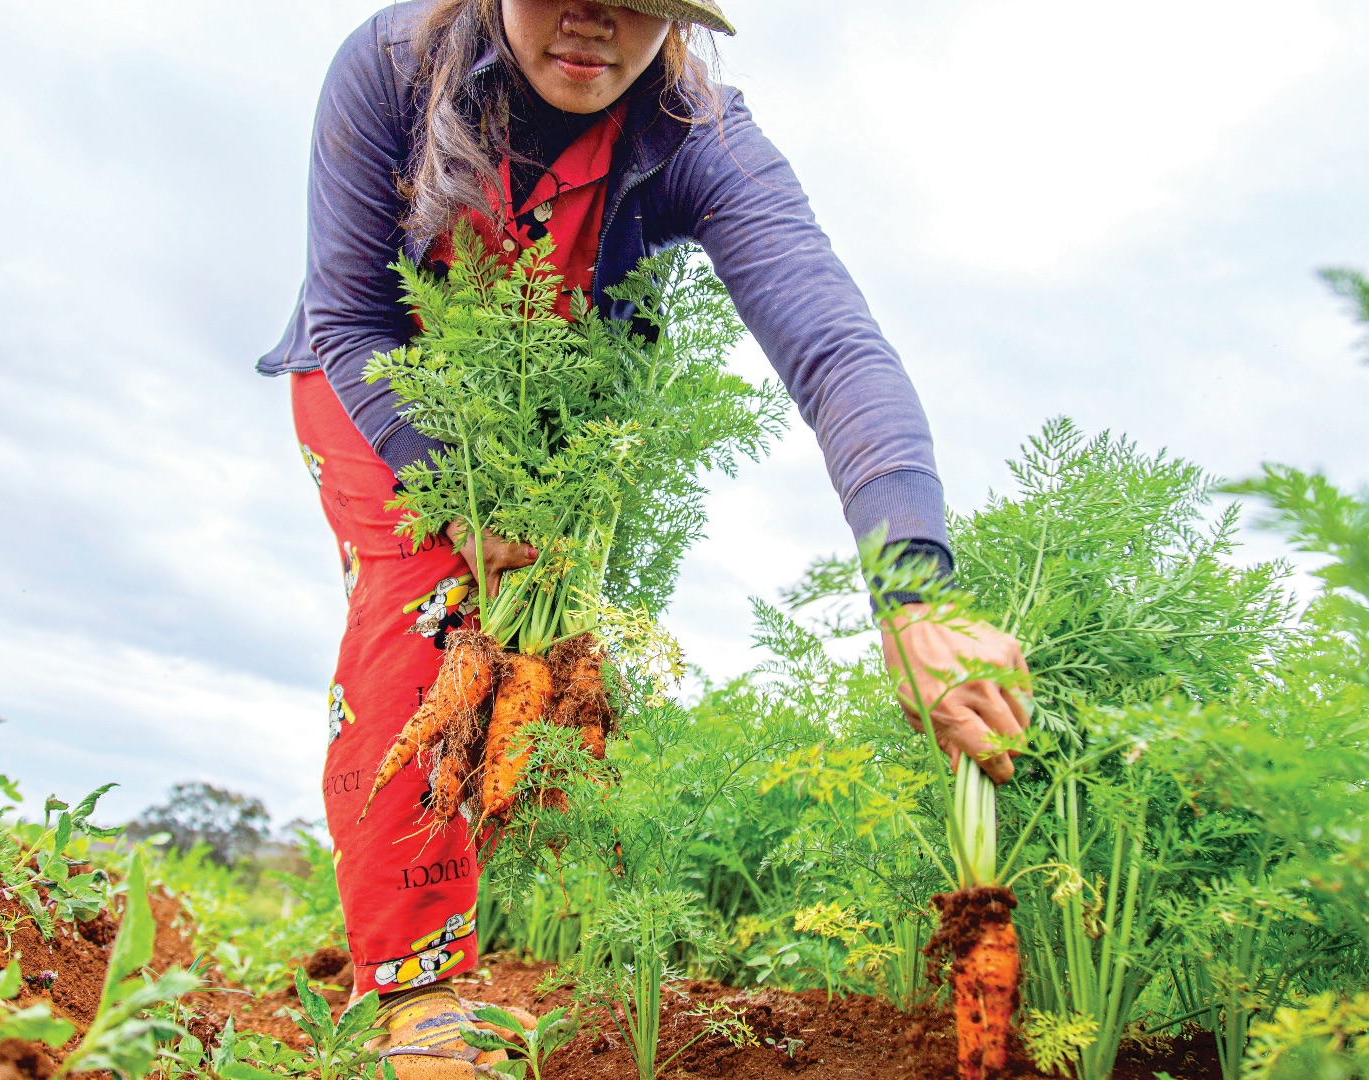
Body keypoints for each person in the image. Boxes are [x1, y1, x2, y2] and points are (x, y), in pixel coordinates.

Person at [258, 1, 1031, 1073]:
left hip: (548, 413)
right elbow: (350, 317)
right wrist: (455, 499)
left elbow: (837, 349)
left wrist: (913, 589)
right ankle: (417, 994)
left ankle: (473, 913)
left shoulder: (699, 133)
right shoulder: (392, 68)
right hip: (376, 387)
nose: (592, 23)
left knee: (530, 665)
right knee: (430, 604)